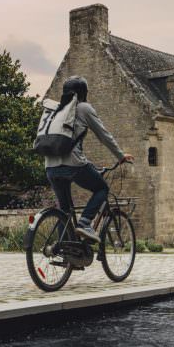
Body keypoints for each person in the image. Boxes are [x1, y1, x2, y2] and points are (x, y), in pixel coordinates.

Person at [45, 76, 134, 243]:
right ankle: (85, 223)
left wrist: (90, 165)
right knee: (102, 189)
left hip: (50, 166)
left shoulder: (57, 110)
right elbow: (104, 135)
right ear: (84, 93)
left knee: (64, 211)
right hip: (72, 165)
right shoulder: (84, 108)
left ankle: (65, 251)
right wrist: (120, 156)